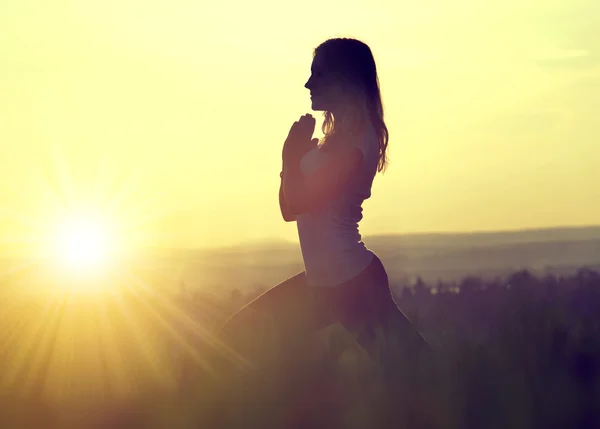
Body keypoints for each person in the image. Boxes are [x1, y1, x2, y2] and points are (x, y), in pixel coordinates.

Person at [210, 37, 440, 429]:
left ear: (344, 80)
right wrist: (293, 159)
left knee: (420, 379)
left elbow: (295, 203)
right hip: (323, 286)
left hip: (352, 284)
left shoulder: (355, 144)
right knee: (234, 340)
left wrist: (290, 156)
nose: (308, 84)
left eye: (317, 74)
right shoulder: (333, 143)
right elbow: (290, 206)